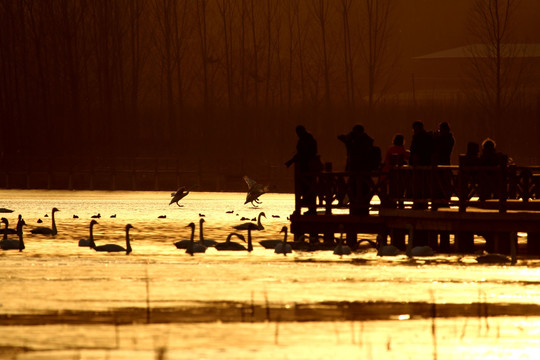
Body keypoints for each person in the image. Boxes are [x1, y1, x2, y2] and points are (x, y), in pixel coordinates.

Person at [338, 125, 375, 216]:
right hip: (362, 169)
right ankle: (360, 206)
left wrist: (350, 136)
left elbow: (342, 138)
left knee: (359, 188)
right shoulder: (366, 140)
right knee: (358, 188)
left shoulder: (357, 141)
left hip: (359, 168)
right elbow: (340, 137)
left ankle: (358, 206)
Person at [286, 125, 320, 215]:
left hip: (307, 168)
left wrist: (293, 160)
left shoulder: (306, 140)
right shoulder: (307, 139)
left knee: (308, 188)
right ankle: (311, 208)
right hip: (306, 168)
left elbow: (304, 153)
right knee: (306, 189)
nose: (297, 134)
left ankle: (311, 209)